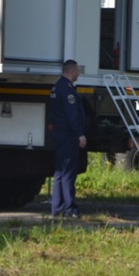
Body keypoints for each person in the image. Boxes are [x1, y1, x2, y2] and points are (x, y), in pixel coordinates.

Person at [49, 59, 87, 218]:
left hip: (59, 135)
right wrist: (80, 134)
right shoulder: (68, 90)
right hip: (68, 136)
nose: (78, 74)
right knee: (68, 173)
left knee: (59, 172)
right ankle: (70, 209)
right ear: (72, 72)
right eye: (77, 71)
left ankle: (56, 208)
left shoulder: (57, 86)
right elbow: (73, 116)